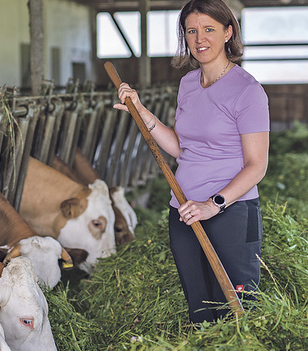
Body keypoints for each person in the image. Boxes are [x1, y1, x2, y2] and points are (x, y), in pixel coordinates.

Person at [114, 0, 269, 323]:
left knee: (237, 311)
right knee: (200, 310)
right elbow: (181, 148)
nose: (200, 39)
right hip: (183, 209)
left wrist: (214, 204)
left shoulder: (247, 91)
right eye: (192, 31)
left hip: (231, 214)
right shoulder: (187, 85)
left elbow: (257, 165)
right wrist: (141, 112)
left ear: (228, 32)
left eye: (209, 29)